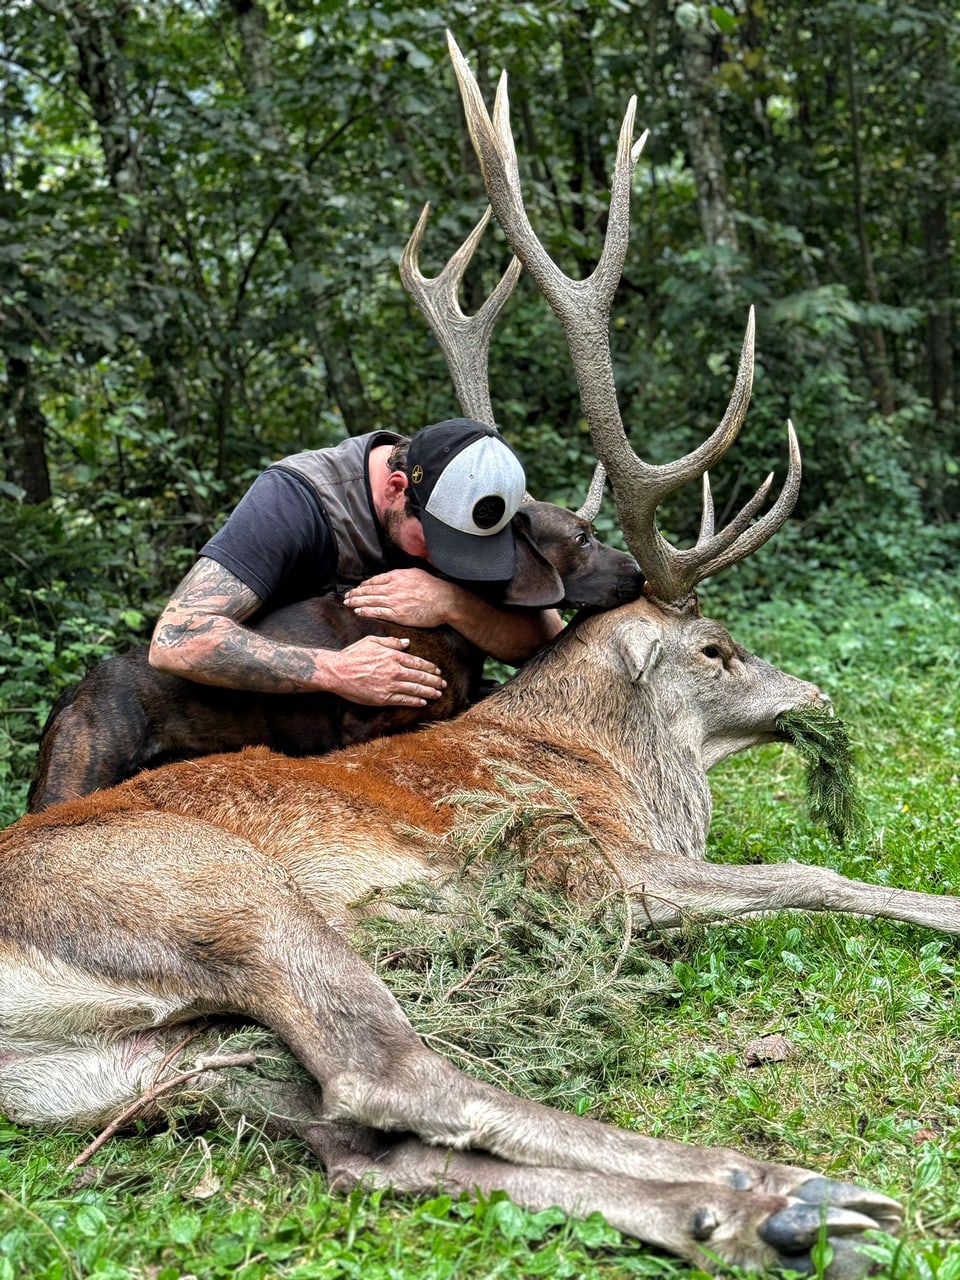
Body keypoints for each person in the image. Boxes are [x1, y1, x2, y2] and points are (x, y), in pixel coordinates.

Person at [149, 419, 564, 709]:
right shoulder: (292, 503)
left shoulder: (474, 497)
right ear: (397, 488)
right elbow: (176, 640)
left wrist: (451, 602)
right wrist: (337, 671)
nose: (448, 559)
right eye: (439, 542)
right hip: (248, 726)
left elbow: (549, 642)